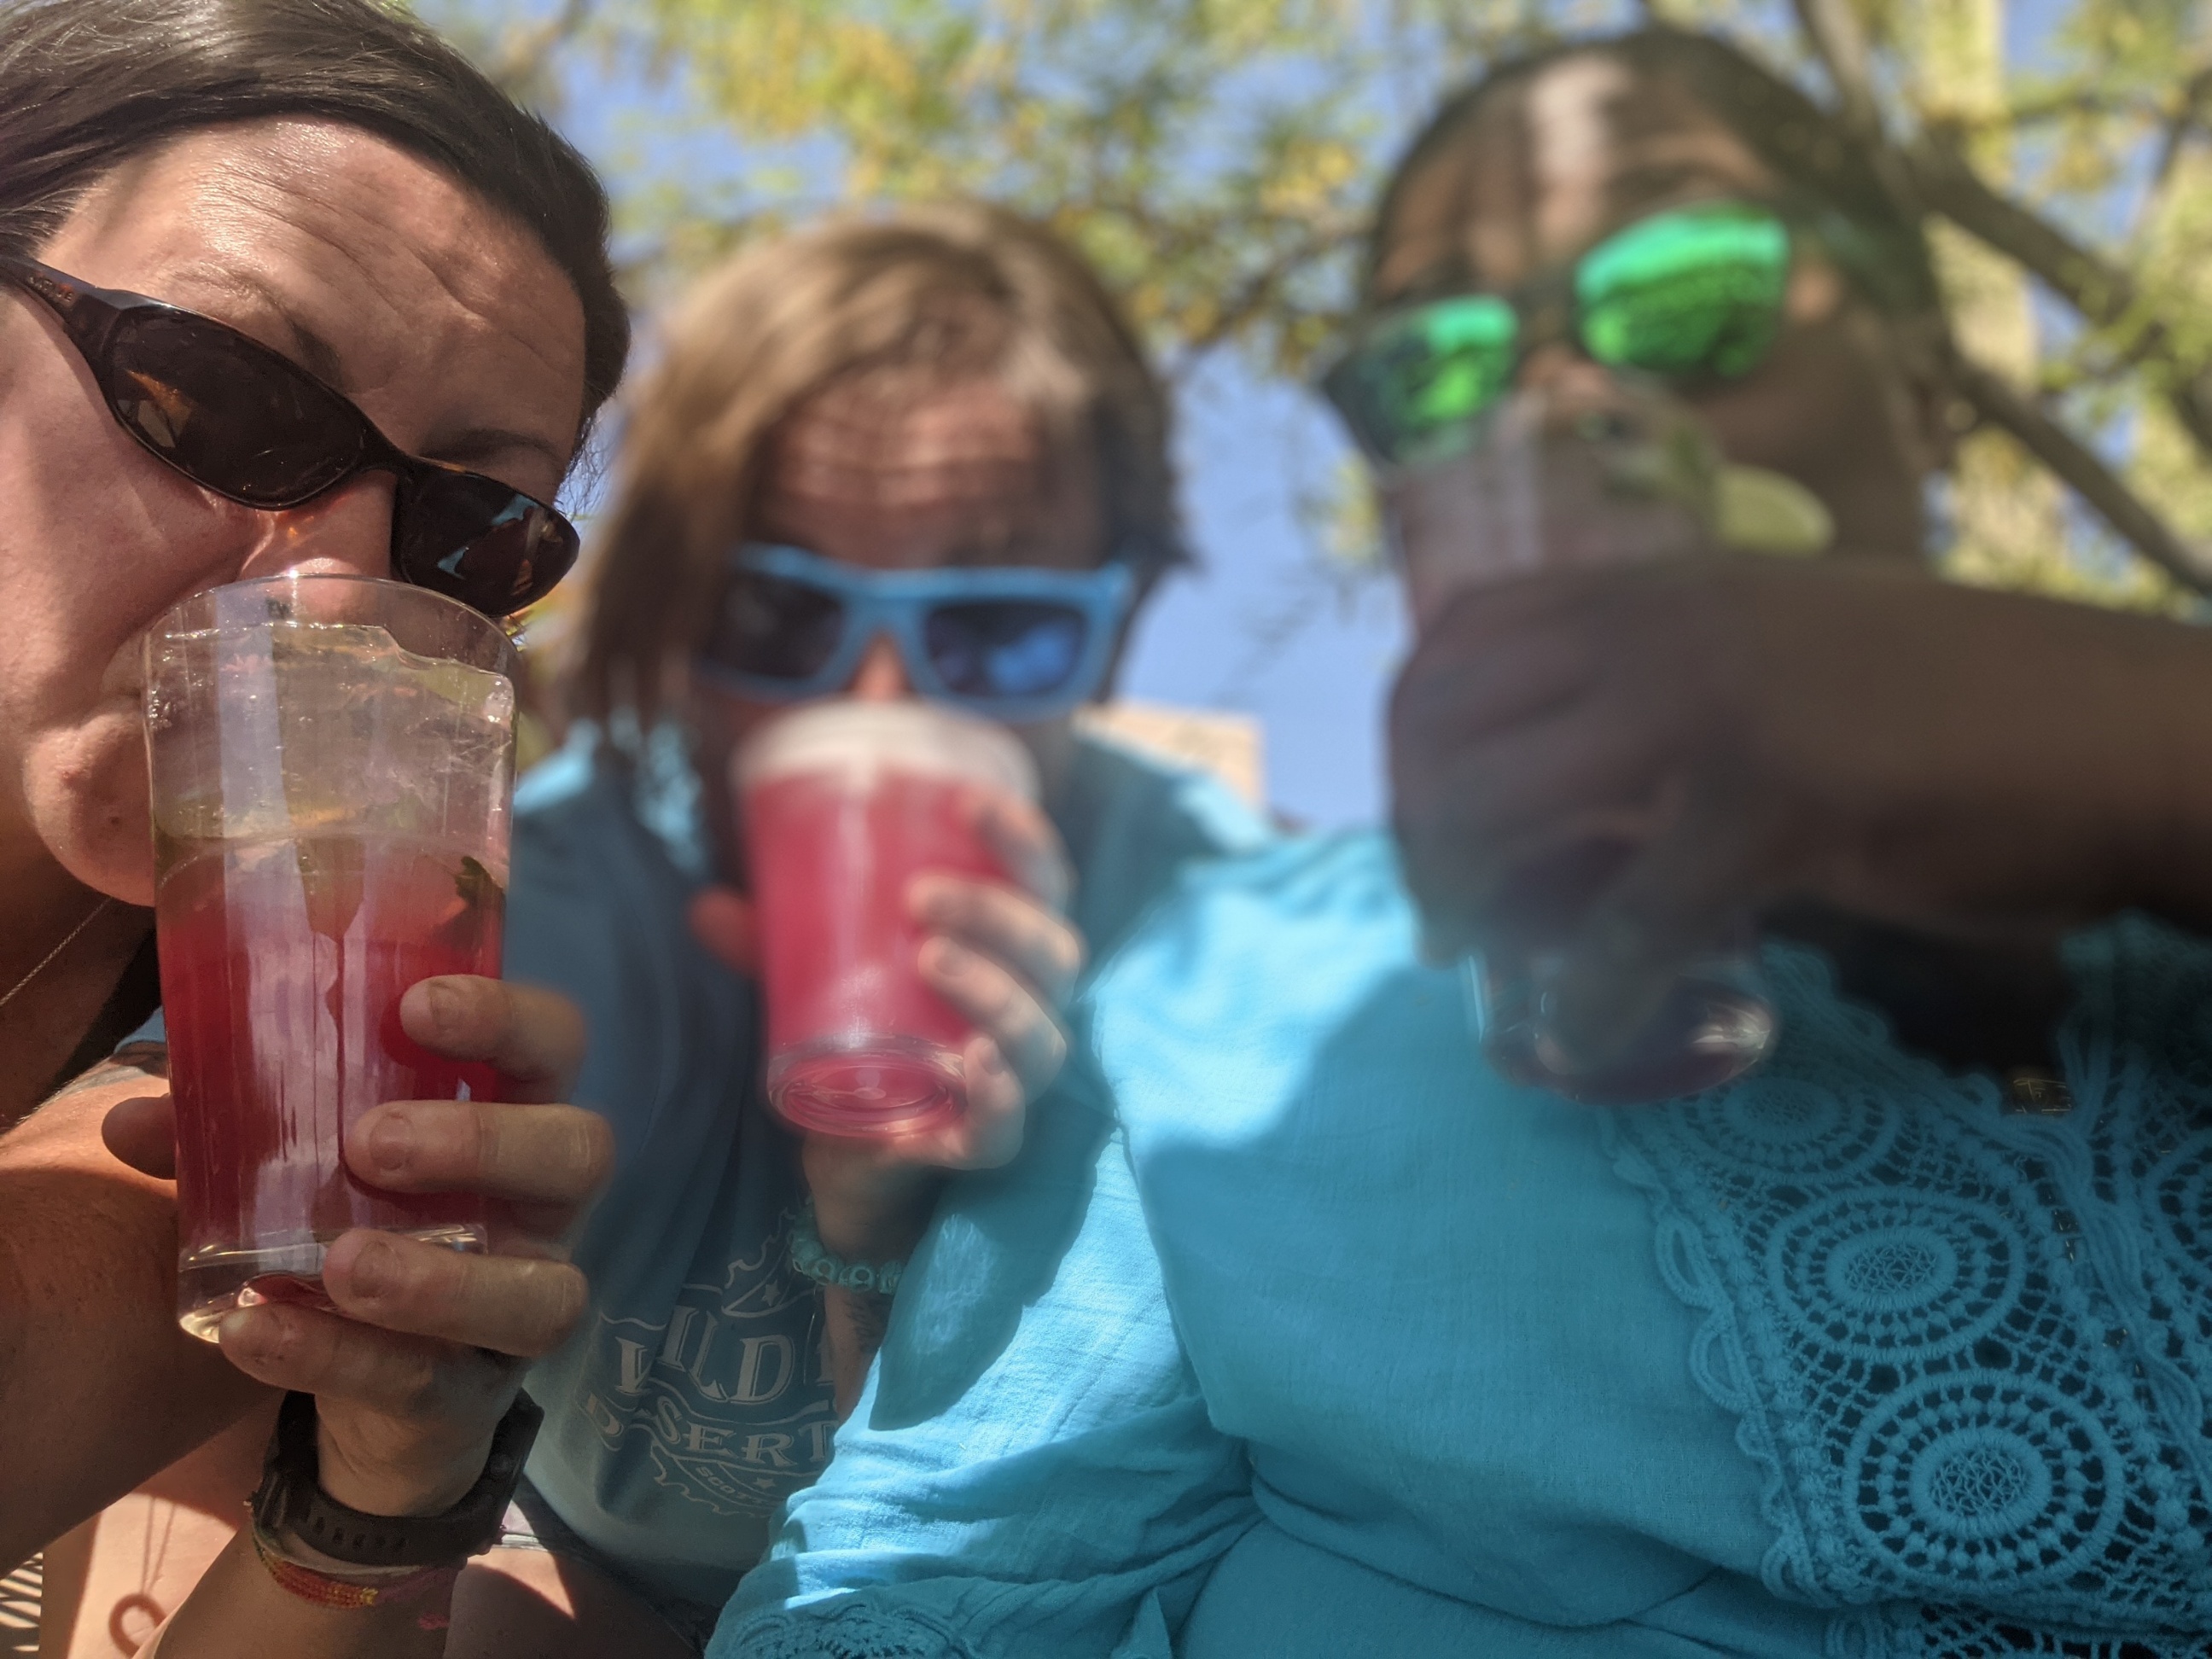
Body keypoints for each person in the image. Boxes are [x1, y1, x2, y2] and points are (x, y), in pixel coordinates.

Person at [717, 27, 2212, 1658]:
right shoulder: (1203, 1016)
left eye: (1685, 290)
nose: (1561, 400)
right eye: (1436, 370)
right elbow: (911, 1590)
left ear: (1924, 376)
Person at [53, 203, 1272, 1656]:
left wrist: (874, 1250)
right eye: (775, 615)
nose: (879, 706)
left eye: (997, 631)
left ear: (1107, 632)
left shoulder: (1215, 961)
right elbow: (176, 1296)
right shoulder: (488, 890)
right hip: (569, 1568)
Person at [0, 0, 636, 1649]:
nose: (344, 582)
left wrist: (376, 1484)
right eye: (220, 394)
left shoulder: (219, 1136)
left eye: (472, 529)